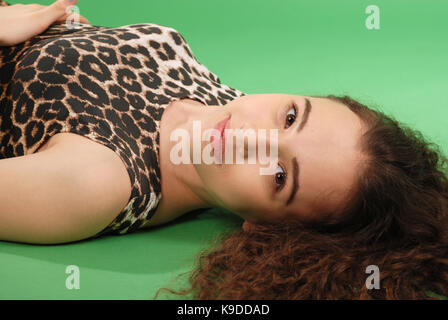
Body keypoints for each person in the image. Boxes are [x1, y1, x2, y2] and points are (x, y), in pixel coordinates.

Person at [1, 0, 447, 299]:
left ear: (267, 227)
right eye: (291, 117)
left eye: (279, 177)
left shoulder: (96, 182)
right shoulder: (225, 100)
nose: (247, 137)